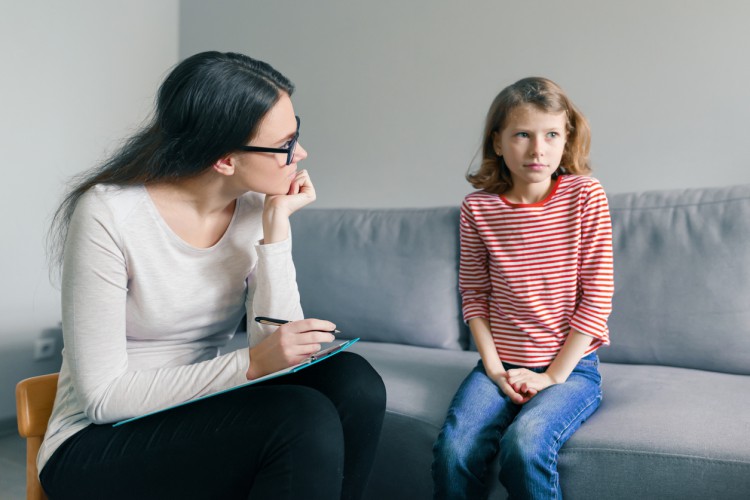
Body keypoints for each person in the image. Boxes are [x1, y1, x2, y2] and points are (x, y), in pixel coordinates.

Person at [40, 51, 385, 500]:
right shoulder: (109, 213)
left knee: (353, 383)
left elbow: (278, 351)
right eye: (284, 144)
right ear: (225, 160)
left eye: (295, 133)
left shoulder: (255, 204)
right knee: (299, 417)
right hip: (95, 443)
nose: (300, 153)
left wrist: (275, 230)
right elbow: (103, 399)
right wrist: (251, 363)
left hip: (200, 409)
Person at [432, 77, 614, 499]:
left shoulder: (585, 195)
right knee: (453, 452)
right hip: (499, 363)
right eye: (522, 135)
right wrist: (495, 371)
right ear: (497, 142)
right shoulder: (478, 208)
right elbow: (475, 296)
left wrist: (551, 377)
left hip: (572, 369)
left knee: (525, 444)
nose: (538, 149)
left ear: (566, 140)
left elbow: (598, 294)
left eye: (551, 135)